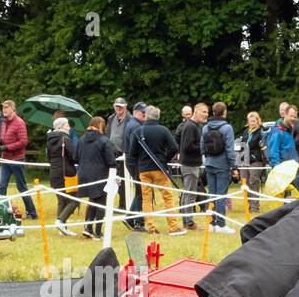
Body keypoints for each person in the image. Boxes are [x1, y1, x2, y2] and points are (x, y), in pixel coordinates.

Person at [126, 105, 182, 235]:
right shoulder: (163, 130)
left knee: (146, 198)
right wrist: (164, 159)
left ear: (146, 116)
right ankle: (173, 227)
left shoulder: (138, 131)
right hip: (159, 168)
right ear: (158, 117)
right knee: (167, 196)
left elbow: (132, 152)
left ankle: (150, 227)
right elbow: (174, 147)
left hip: (143, 170)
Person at [74, 115, 116, 238]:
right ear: (101, 126)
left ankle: (87, 228)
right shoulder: (104, 141)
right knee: (101, 202)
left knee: (92, 200)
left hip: (83, 174)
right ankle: (98, 231)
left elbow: (75, 157)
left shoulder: (81, 140)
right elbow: (111, 161)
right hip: (99, 174)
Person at [0, 99, 37, 219]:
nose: (4, 110)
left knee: (21, 187)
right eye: (3, 107)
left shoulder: (19, 123)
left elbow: (23, 142)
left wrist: (6, 147)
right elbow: (4, 138)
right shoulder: (3, 123)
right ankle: (1, 210)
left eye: (6, 107)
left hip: (17, 159)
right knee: (2, 186)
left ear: (13, 110)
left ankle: (32, 212)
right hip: (6, 159)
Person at [201, 101, 236, 233]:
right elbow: (230, 150)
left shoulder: (205, 128)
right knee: (221, 195)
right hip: (222, 165)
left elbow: (202, 147)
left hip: (209, 163)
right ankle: (221, 224)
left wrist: (207, 158)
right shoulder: (227, 128)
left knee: (212, 194)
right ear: (224, 112)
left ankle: (211, 223)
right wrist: (234, 166)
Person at [47, 117, 81, 234]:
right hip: (66, 174)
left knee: (62, 201)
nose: (69, 127)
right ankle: (61, 221)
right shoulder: (65, 139)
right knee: (74, 200)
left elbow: (49, 159)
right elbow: (73, 156)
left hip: (54, 173)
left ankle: (62, 229)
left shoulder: (49, 140)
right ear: (61, 127)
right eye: (67, 125)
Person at [176, 102, 206, 229]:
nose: (206, 115)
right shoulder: (191, 126)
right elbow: (187, 146)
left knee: (187, 192)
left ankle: (186, 221)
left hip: (189, 163)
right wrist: (203, 146)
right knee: (190, 193)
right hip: (190, 164)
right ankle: (189, 222)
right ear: (196, 112)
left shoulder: (192, 125)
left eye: (207, 113)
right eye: (203, 112)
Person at [240, 111, 265, 212]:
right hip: (243, 160)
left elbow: (261, 146)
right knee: (244, 183)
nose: (252, 123)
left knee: (253, 182)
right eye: (250, 121)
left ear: (258, 121)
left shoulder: (261, 132)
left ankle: (255, 207)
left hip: (255, 160)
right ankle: (248, 205)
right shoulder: (245, 131)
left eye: (254, 121)